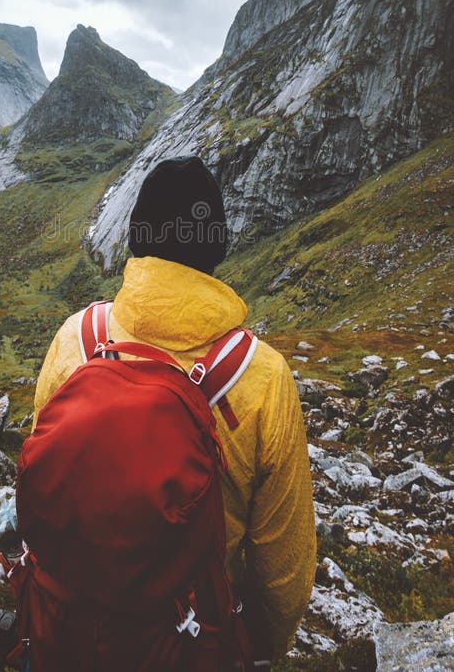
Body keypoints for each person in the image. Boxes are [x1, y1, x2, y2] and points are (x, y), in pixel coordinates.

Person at [32, 155, 316, 664]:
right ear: (218, 247)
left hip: (69, 632)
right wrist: (263, 650)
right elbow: (284, 571)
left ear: (136, 237)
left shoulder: (75, 340)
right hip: (189, 643)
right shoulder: (263, 377)